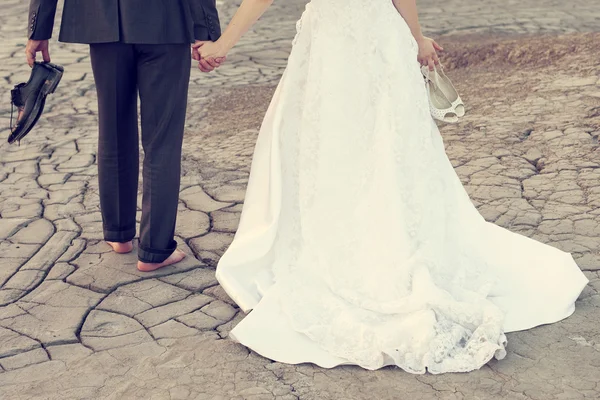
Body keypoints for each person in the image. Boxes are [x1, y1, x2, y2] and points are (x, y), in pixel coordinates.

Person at [199, 0, 588, 373]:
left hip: (333, 45)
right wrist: (415, 38)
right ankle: (392, 234)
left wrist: (221, 45)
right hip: (379, 38)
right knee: (386, 149)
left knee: (336, 148)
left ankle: (344, 237)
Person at [25, 0, 222, 271]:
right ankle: (155, 250)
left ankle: (119, 235)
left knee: (113, 128)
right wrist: (207, 31)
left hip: (102, 21)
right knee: (162, 140)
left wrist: (38, 30)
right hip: (166, 23)